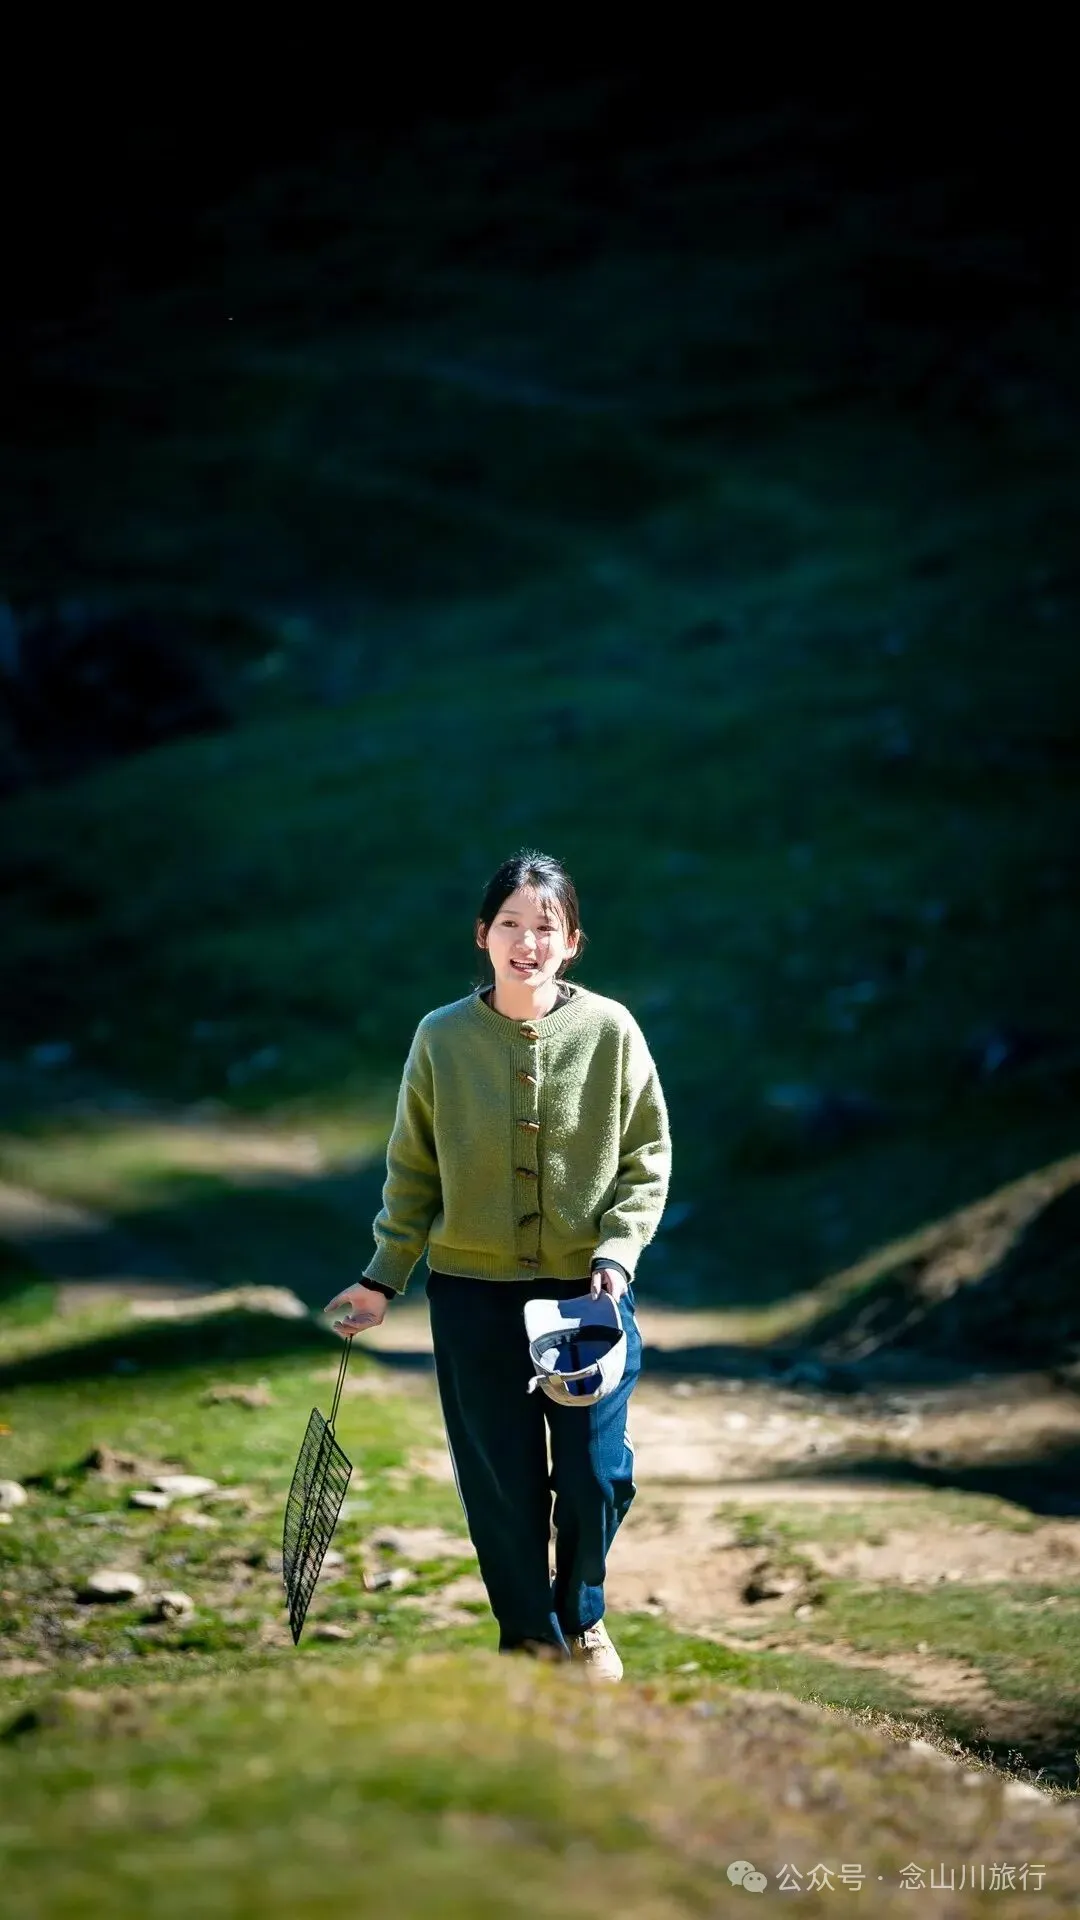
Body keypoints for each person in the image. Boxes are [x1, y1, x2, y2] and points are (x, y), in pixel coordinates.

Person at [325, 848, 671, 1679]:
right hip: (473, 1296)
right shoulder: (440, 1038)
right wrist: (382, 1277)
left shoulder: (611, 1031)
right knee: (502, 1488)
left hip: (587, 1294)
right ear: (482, 936)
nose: (527, 942)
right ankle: (531, 1649)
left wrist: (617, 1256)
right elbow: (413, 1170)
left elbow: (646, 1155)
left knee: (594, 1475)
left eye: (545, 927)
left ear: (573, 943)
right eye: (510, 925)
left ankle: (579, 1614)